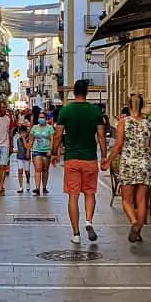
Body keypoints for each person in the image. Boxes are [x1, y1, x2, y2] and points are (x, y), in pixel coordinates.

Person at [53, 79, 107, 244]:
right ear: (87, 92)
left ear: (73, 92)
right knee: (90, 193)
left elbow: (58, 135)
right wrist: (104, 155)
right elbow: (101, 135)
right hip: (90, 158)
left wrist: (54, 152)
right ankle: (88, 221)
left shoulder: (66, 111)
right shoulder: (95, 111)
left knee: (73, 196)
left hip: (72, 159)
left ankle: (76, 234)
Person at [103, 93, 151, 242]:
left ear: (128, 105)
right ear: (142, 105)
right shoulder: (149, 123)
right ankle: (138, 230)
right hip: (145, 164)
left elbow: (118, 145)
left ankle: (134, 222)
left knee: (126, 199)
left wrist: (108, 161)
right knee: (141, 200)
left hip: (128, 164)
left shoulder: (123, 122)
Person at [30, 115, 55, 195]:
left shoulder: (50, 128)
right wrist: (28, 149)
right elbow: (31, 139)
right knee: (38, 169)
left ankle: (44, 187)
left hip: (46, 150)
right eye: (40, 117)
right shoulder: (34, 128)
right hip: (36, 150)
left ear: (46, 118)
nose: (41, 119)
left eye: (43, 117)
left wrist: (51, 150)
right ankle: (37, 188)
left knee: (45, 170)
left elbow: (52, 139)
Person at [13, 125, 33, 193]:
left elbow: (27, 146)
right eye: (20, 133)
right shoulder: (18, 140)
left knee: (27, 172)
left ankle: (28, 181)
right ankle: (20, 187)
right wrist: (14, 151)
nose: (22, 134)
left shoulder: (29, 139)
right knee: (20, 171)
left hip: (27, 157)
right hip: (19, 157)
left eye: (23, 132)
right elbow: (18, 148)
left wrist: (24, 139)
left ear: (26, 132)